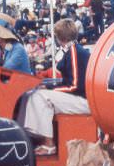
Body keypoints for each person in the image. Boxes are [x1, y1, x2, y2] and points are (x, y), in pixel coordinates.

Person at [21, 19, 90, 155]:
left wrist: (49, 89)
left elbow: (75, 85)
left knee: (40, 97)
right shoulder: (72, 50)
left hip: (84, 101)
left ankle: (48, 144)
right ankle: (31, 137)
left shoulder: (75, 52)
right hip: (78, 97)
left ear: (59, 37)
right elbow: (67, 81)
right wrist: (48, 85)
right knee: (33, 94)